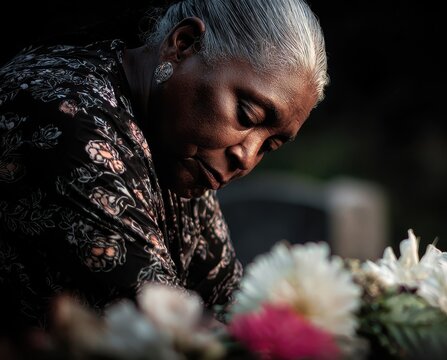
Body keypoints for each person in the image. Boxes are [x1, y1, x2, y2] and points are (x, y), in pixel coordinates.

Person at [0, 0, 328, 336]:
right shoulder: (67, 121)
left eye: (269, 147)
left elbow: (230, 304)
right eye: (247, 116)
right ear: (182, 45)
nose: (247, 157)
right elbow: (174, 334)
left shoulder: (176, 151)